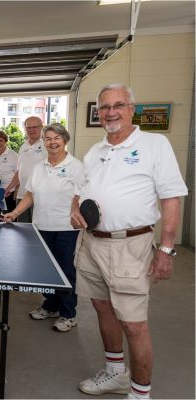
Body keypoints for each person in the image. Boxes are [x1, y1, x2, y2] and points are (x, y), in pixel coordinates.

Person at [70, 84, 187, 399]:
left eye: (118, 105)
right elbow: (81, 191)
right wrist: (74, 208)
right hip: (92, 243)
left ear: (132, 108)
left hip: (130, 246)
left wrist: (165, 249)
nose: (110, 112)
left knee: (134, 324)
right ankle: (115, 373)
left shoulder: (154, 144)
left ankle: (140, 393)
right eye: (105, 107)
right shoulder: (96, 151)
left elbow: (171, 198)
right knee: (102, 308)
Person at [1, 123, 83, 332]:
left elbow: (81, 196)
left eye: (57, 138)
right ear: (44, 142)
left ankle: (68, 314)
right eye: (48, 139)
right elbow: (30, 195)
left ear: (65, 141)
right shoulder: (39, 167)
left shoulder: (76, 167)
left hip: (66, 228)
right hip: (41, 226)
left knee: (65, 272)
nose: (52, 142)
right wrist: (15, 213)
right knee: (47, 271)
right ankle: (50, 305)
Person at [4, 116, 45, 222]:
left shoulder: (47, 145)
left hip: (39, 197)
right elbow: (19, 171)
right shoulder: (23, 147)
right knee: (22, 230)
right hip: (22, 195)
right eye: (29, 127)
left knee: (38, 230)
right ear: (25, 129)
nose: (32, 130)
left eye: (35, 127)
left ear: (41, 127)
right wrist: (9, 188)